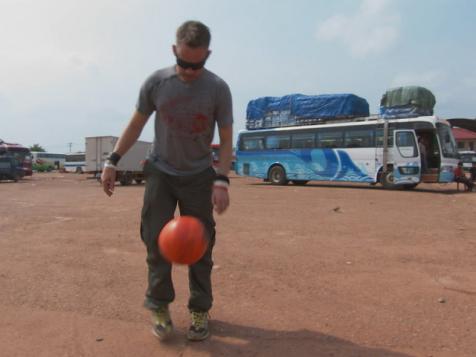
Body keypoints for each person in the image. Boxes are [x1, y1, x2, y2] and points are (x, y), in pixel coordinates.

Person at [100, 20, 233, 342]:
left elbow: (227, 139)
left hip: (199, 177)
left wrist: (222, 180)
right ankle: (159, 306)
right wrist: (112, 161)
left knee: (200, 247)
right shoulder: (156, 83)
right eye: (185, 63)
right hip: (161, 172)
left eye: (197, 64)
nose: (190, 71)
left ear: (208, 55)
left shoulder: (218, 89)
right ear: (174, 51)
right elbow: (135, 125)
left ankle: (200, 309)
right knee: (155, 243)